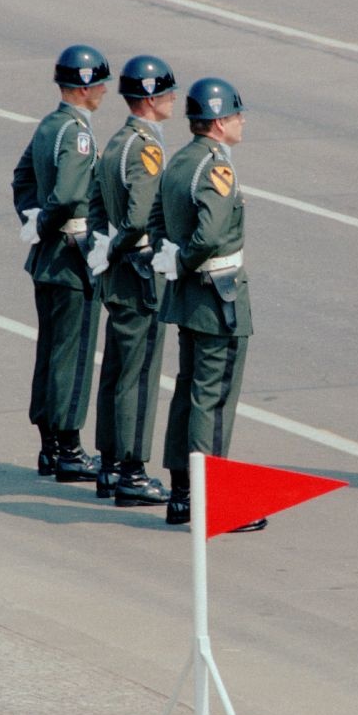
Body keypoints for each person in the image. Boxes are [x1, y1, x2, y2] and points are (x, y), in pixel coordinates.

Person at [149, 77, 264, 532]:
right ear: (218, 122)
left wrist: (173, 256)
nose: (241, 122)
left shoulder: (180, 161)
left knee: (188, 392)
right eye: (236, 115)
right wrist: (188, 256)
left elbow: (156, 216)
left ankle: (182, 493)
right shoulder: (217, 167)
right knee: (212, 399)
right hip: (220, 296)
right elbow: (212, 234)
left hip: (190, 296)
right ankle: (209, 499)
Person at [11, 44, 109, 484]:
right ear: (85, 87)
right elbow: (70, 194)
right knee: (73, 351)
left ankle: (50, 447)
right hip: (72, 255)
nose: (104, 91)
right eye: (100, 83)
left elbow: (23, 177)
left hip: (48, 256)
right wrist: (49, 221)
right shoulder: (77, 133)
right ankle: (68, 449)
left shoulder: (50, 125)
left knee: (51, 350)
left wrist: (33, 218)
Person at [84, 55, 178, 507]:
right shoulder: (146, 147)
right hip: (140, 273)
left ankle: (108, 466)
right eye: (168, 93)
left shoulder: (117, 141)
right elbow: (142, 216)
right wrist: (127, 247)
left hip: (119, 272)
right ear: (152, 99)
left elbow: (96, 203)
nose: (174, 100)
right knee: (138, 376)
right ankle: (132, 472)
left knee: (116, 372)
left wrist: (103, 251)